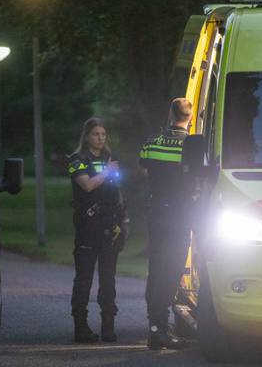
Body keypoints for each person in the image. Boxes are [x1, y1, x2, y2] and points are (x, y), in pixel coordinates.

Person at [138, 98, 194, 350]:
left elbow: (144, 169)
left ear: (170, 114)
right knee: (171, 271)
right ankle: (159, 329)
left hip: (156, 212)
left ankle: (155, 325)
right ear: (190, 118)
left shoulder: (152, 141)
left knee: (156, 267)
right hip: (180, 215)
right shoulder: (192, 144)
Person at [67, 117, 126, 343]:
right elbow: (87, 185)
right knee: (84, 278)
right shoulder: (77, 159)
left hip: (109, 225)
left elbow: (117, 189)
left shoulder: (110, 158)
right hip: (87, 226)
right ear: (87, 136)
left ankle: (108, 327)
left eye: (103, 134)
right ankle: (80, 327)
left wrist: (122, 220)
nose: (100, 138)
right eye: (96, 134)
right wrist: (107, 172)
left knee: (108, 278)